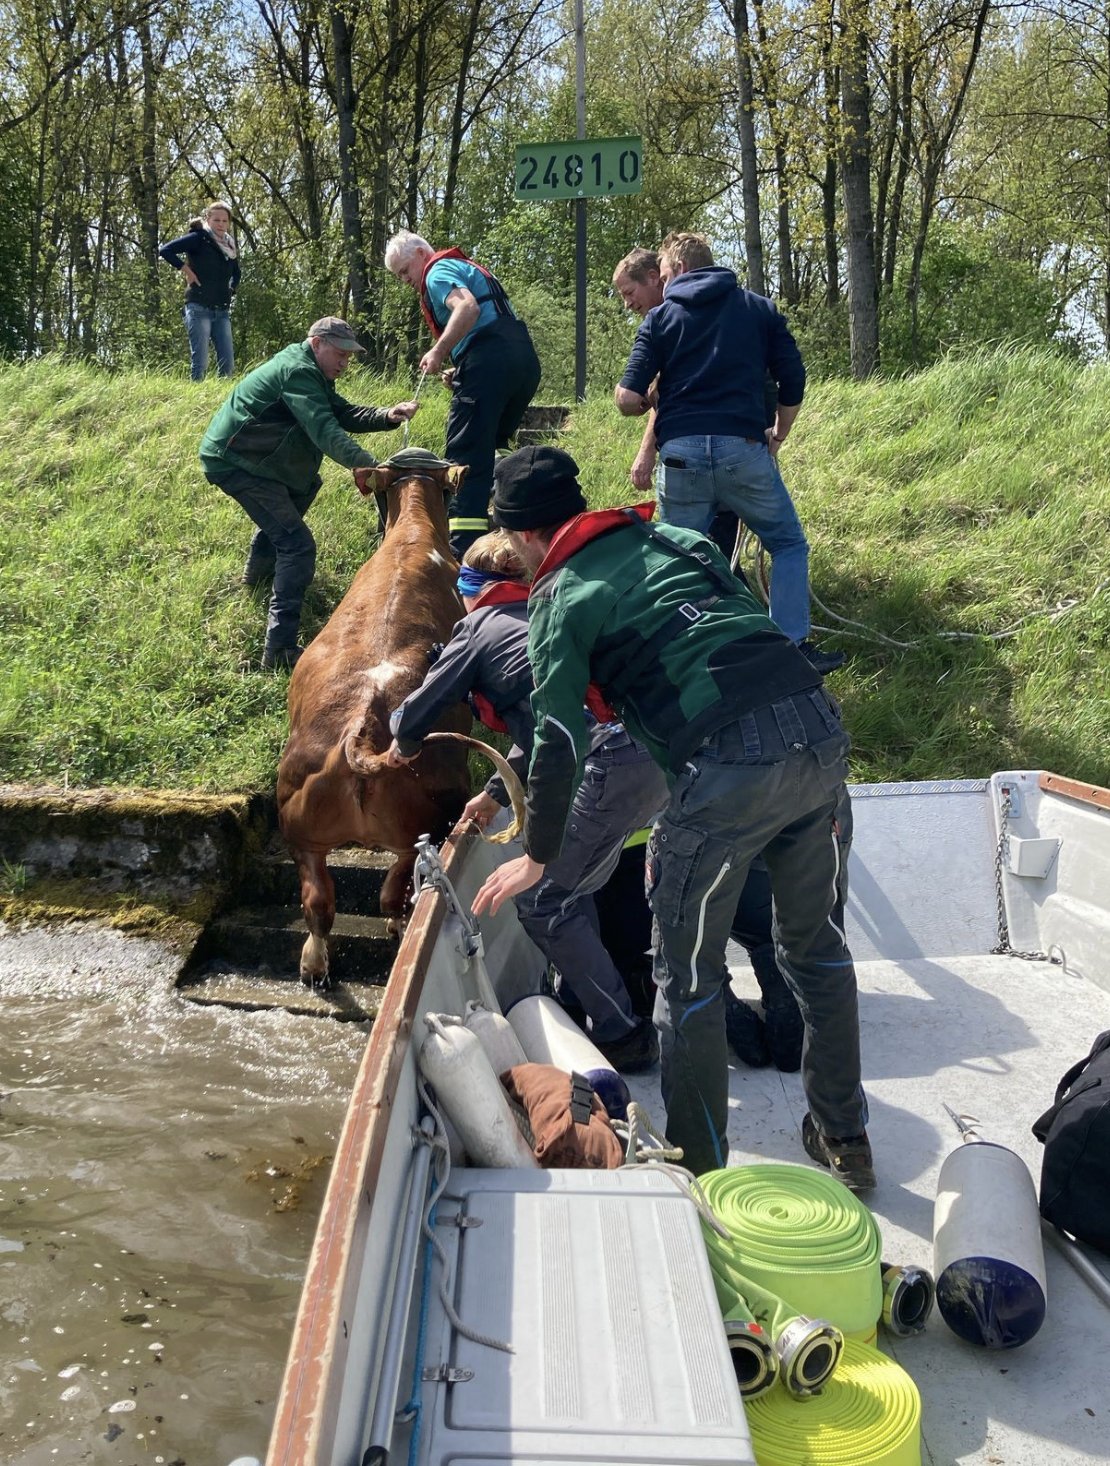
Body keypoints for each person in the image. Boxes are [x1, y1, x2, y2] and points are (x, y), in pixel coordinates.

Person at [471, 445, 873, 1187]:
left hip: (724, 768)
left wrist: (539, 853)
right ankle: (845, 1136)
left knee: (688, 979)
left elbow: (558, 738)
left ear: (522, 535)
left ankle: (700, 1178)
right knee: (815, 948)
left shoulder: (560, 596)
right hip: (819, 734)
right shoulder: (680, 540)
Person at [385, 518, 667, 1072]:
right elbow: (549, 725)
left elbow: (422, 707)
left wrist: (401, 739)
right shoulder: (549, 615)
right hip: (651, 756)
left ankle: (623, 1031)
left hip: (607, 762)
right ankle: (577, 999)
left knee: (542, 899)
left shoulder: (480, 624)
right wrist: (495, 793)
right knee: (574, 886)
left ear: (472, 590)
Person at [615, 230, 844, 675]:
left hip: (680, 457)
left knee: (679, 560)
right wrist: (779, 433)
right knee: (787, 544)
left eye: (664, 274)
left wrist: (644, 402)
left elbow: (626, 398)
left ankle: (682, 659)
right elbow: (793, 379)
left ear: (680, 269)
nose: (664, 283)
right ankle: (793, 650)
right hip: (743, 449)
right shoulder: (758, 309)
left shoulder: (660, 319)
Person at [199, 316, 419, 670]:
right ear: (317, 343)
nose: (345, 362)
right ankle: (279, 650)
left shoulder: (311, 370)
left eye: (349, 356)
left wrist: (386, 416)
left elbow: (340, 411)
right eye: (340, 353)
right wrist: (371, 466)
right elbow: (325, 430)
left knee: (301, 492)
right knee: (297, 545)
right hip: (235, 460)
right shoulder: (298, 371)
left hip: (258, 460)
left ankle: (258, 579)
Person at [384, 230, 542, 559]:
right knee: (494, 445)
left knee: (465, 456)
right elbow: (491, 323)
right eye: (399, 276)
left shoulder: (436, 272)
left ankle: (463, 552)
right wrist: (465, 368)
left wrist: (439, 350)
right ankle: (513, 527)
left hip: (490, 359)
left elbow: (468, 308)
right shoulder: (464, 266)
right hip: (522, 361)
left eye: (404, 271)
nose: (405, 280)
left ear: (420, 254)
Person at [159, 201, 241, 380]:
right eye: (216, 220)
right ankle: (195, 395)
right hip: (198, 307)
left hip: (222, 310)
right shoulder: (199, 238)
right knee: (201, 363)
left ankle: (224, 396)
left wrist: (231, 289)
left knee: (227, 364)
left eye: (224, 221)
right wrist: (186, 270)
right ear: (207, 220)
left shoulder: (229, 245)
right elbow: (165, 250)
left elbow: (237, 273)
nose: (221, 224)